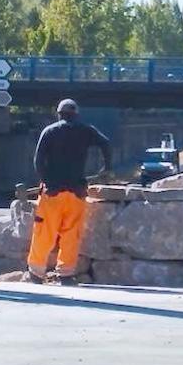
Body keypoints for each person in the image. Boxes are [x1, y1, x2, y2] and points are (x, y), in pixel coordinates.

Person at [27, 98, 112, 285]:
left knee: (44, 232)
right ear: (76, 114)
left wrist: (47, 182)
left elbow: (38, 161)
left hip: (52, 193)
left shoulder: (49, 132)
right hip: (77, 191)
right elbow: (105, 143)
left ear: (58, 114)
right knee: (71, 233)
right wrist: (106, 169)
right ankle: (65, 274)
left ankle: (36, 272)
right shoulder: (85, 130)